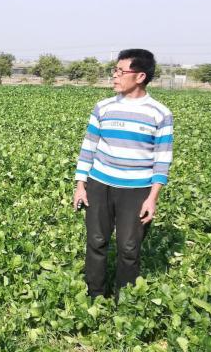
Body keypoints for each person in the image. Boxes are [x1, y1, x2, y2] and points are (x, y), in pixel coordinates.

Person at [72, 49, 173, 299]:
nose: (114, 76)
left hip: (136, 190)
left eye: (120, 71)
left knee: (129, 247)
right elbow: (88, 147)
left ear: (140, 76)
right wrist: (80, 184)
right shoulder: (103, 107)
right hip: (100, 184)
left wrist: (152, 198)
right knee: (96, 241)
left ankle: (124, 300)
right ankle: (95, 295)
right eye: (114, 70)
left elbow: (162, 160)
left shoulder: (160, 113)